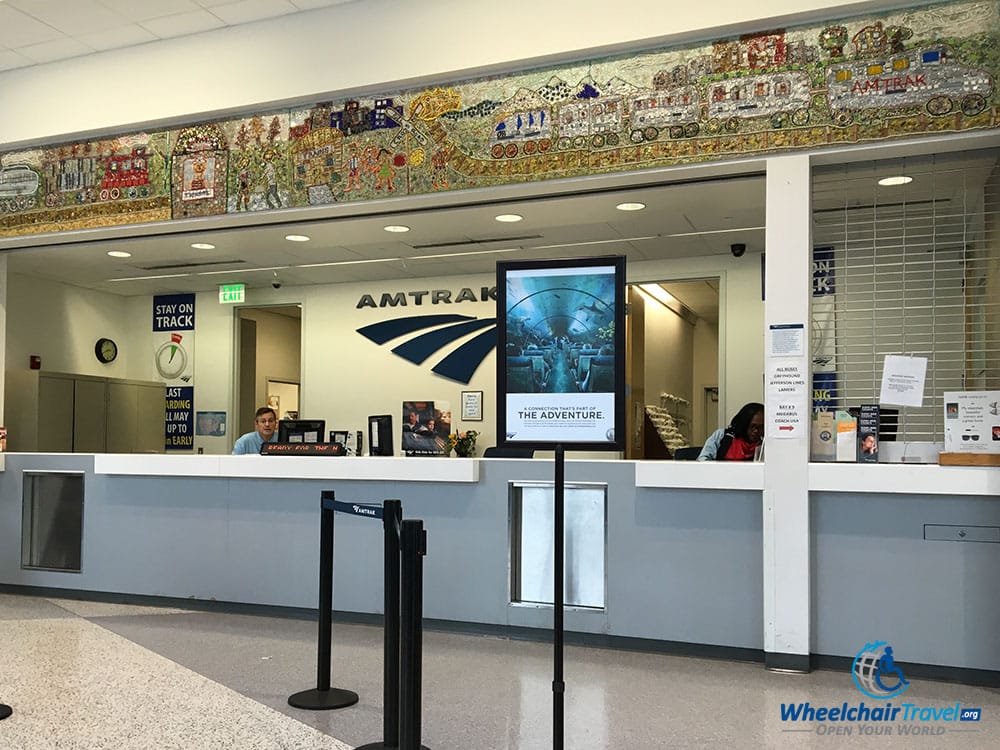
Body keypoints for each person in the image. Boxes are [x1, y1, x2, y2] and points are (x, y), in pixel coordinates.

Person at [698, 402, 764, 461]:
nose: (756, 431)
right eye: (752, 426)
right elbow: (703, 460)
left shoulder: (764, 444)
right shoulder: (721, 436)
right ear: (744, 424)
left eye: (760, 427)